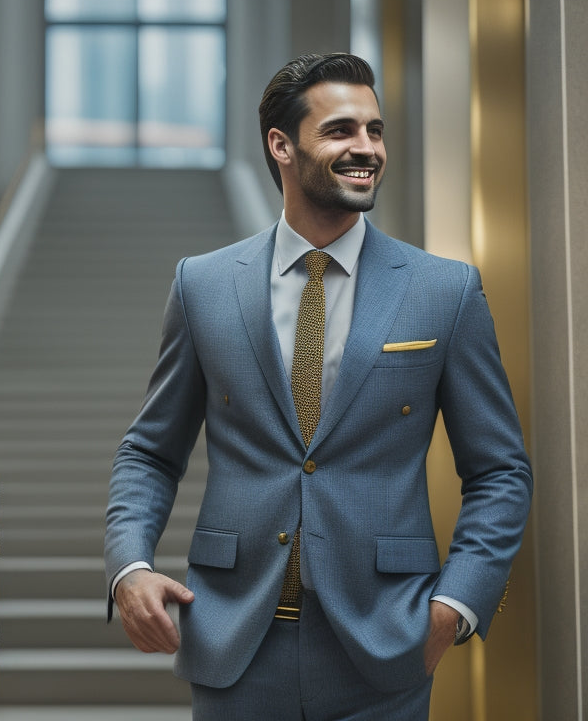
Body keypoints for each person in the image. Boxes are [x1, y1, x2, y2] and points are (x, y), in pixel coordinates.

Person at [104, 53, 532, 720]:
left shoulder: (444, 291)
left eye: (375, 130)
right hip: (234, 641)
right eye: (340, 131)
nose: (366, 148)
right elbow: (150, 453)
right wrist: (129, 568)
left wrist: (455, 605)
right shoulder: (203, 285)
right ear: (281, 145)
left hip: (387, 644)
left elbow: (500, 470)